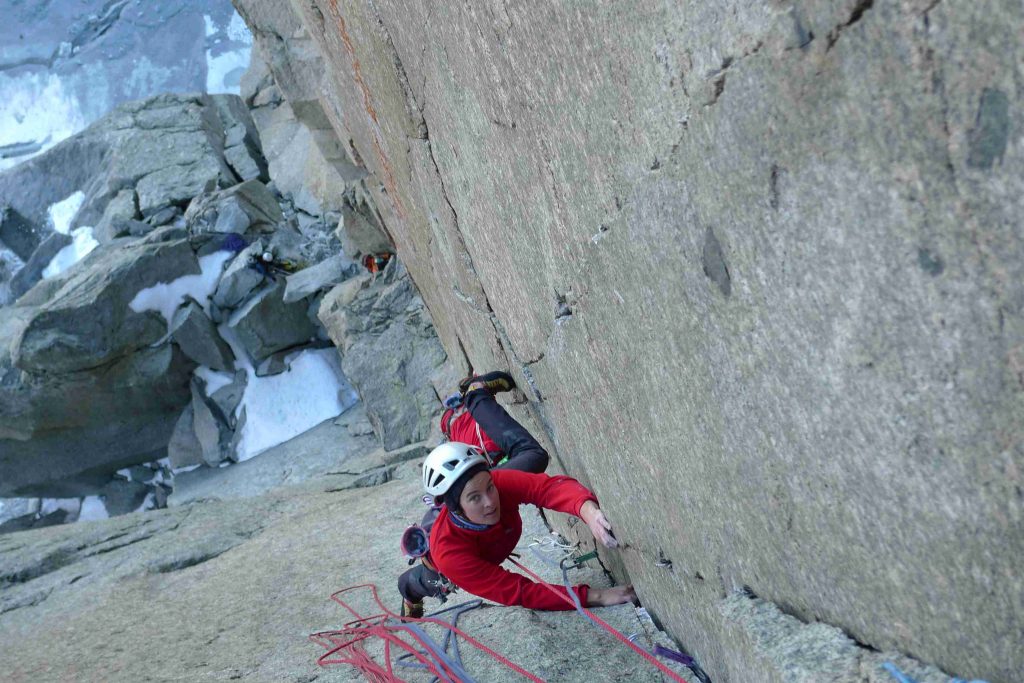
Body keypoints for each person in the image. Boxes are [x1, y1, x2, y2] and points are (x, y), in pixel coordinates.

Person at [397, 373, 636, 617]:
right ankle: (409, 597)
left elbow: (547, 489)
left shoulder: (496, 485)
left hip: (476, 504)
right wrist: (596, 597)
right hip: (441, 565)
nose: (491, 502)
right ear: (456, 507)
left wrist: (587, 510)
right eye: (475, 498)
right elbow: (520, 592)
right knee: (418, 583)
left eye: (489, 487)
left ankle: (476, 395)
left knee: (534, 456)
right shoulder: (451, 555)